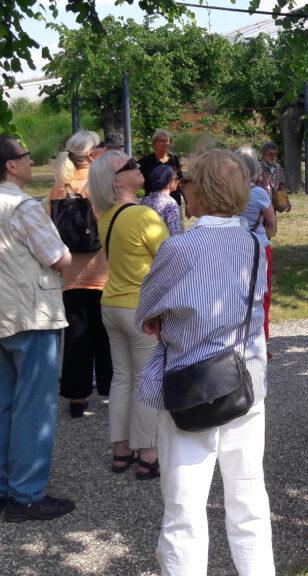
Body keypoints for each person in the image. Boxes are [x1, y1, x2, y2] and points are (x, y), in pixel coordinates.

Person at [135, 150, 273, 576]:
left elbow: (146, 312)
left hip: (190, 384)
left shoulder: (179, 248)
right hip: (245, 381)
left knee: (183, 506)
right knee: (248, 497)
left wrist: (166, 320)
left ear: (201, 190)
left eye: (189, 182)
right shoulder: (254, 243)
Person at [0, 134, 75, 522]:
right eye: (26, 156)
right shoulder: (21, 206)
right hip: (30, 315)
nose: (32, 160)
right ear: (11, 165)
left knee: (3, 405)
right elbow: (58, 256)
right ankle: (26, 495)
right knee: (35, 408)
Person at [89, 150, 168, 479]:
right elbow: (169, 257)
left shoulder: (107, 214)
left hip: (112, 304)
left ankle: (121, 451)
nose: (139, 167)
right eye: (130, 165)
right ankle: (148, 453)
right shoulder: (142, 216)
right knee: (147, 381)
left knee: (122, 379)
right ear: (117, 179)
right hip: (139, 307)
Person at [47, 130, 111, 418]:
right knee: (105, 334)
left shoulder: (59, 186)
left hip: (71, 272)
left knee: (75, 336)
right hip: (102, 269)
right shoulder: (99, 185)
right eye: (100, 147)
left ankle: (77, 396)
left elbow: (50, 225)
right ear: (90, 154)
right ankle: (110, 388)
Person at [236, 146, 277, 342]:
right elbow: (272, 224)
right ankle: (261, 339)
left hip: (234, 245)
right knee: (262, 294)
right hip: (258, 245)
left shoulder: (227, 191)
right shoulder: (259, 193)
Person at [138, 129, 183, 207]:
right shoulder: (145, 161)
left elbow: (180, 182)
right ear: (154, 144)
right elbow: (134, 175)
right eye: (161, 141)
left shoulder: (174, 159)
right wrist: (146, 187)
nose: (164, 143)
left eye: (167, 141)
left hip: (173, 203)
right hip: (153, 204)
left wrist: (187, 202)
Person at [140, 164, 184, 236]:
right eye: (176, 178)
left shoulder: (144, 201)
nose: (178, 181)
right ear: (168, 183)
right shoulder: (170, 204)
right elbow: (174, 234)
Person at [252, 141, 290, 212]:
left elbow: (280, 186)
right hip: (260, 205)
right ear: (263, 155)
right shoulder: (257, 168)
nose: (273, 156)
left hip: (273, 205)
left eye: (275, 154)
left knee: (272, 222)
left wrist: (286, 200)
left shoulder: (278, 168)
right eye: (270, 154)